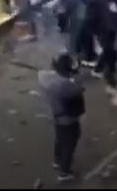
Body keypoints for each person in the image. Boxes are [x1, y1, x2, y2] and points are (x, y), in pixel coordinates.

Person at [38, 53, 85, 183]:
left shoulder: (46, 78)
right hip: (68, 119)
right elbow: (79, 89)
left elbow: (42, 73)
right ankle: (64, 172)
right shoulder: (66, 86)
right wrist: (75, 77)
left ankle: (57, 160)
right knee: (69, 144)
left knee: (60, 139)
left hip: (56, 115)